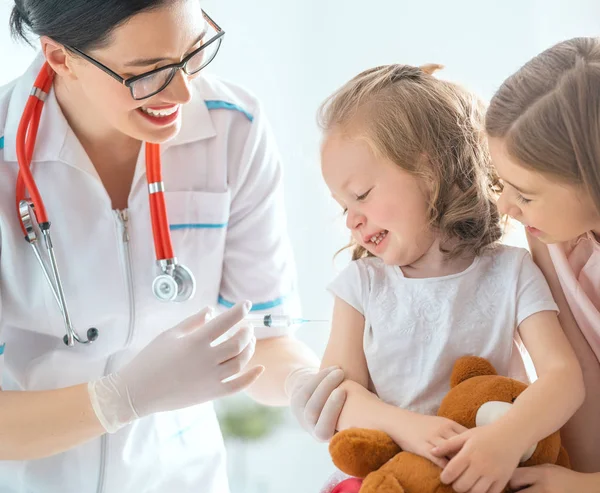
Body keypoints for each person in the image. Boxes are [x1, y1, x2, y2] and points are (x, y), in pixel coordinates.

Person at [0, 1, 336, 492]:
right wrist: (122, 398)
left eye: (194, 51)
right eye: (148, 72)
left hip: (183, 478)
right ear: (59, 57)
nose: (182, 91)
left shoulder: (231, 129)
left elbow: (266, 339)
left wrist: (308, 386)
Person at [289, 63, 585, 493]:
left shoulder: (512, 270)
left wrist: (507, 439)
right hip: (392, 476)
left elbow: (564, 378)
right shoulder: (361, 285)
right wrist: (407, 428)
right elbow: (340, 396)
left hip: (484, 474)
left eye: (361, 196)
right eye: (343, 207)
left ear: (430, 173)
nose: (352, 220)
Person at [486, 36, 600, 493]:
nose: (503, 206)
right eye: (501, 183)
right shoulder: (550, 236)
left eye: (525, 194)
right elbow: (581, 374)